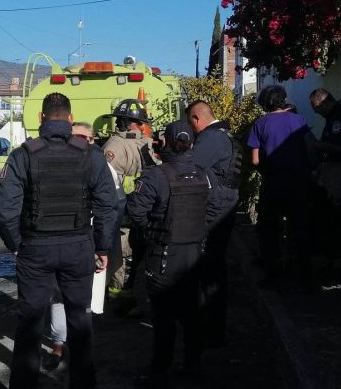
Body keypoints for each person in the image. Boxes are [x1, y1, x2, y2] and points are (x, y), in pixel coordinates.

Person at [0, 93, 118, 389]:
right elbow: (107, 206)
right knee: (80, 322)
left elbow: (2, 210)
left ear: (41, 118)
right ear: (71, 119)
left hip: (35, 248)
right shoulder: (91, 155)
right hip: (78, 248)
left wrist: (16, 244)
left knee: (30, 325)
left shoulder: (23, 155)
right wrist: (102, 247)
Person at [128, 120, 238, 387]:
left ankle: (159, 375)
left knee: (164, 321)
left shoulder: (156, 176)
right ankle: (192, 367)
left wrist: (154, 229)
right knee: (192, 316)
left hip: (163, 257)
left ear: (165, 142)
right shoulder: (205, 174)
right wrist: (203, 226)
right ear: (191, 144)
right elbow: (226, 200)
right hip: (194, 257)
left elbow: (135, 211)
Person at [42, 121, 109, 372]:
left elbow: (108, 208)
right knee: (59, 299)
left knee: (83, 303)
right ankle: (59, 346)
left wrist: (102, 247)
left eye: (90, 139)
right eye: (80, 137)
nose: (85, 142)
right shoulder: (56, 160)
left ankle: (81, 354)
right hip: (62, 240)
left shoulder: (98, 163)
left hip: (86, 240)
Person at [186, 100, 241, 347]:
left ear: (197, 119)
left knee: (208, 268)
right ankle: (213, 327)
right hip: (226, 203)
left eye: (191, 123)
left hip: (215, 208)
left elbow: (189, 169)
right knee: (215, 267)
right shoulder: (225, 134)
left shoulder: (210, 139)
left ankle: (209, 328)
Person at [246, 86, 311, 288]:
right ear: (284, 100)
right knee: (299, 228)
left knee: (269, 229)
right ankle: (305, 277)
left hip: (273, 183)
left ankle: (273, 275)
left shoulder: (260, 124)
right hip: (298, 182)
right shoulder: (299, 121)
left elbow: (255, 160)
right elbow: (310, 148)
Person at [103, 98, 158, 306]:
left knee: (122, 254)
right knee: (136, 253)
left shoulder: (114, 145)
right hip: (144, 211)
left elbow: (105, 183)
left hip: (123, 211)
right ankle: (126, 292)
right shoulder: (147, 144)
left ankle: (119, 295)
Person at [304, 89, 341, 266]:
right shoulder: (336, 116)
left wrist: (315, 145)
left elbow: (337, 147)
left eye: (316, 108)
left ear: (324, 102)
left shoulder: (339, 117)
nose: (316, 112)